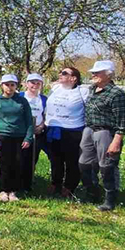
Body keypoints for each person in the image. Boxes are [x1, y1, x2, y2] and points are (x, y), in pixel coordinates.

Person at [80, 60, 125, 211]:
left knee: (107, 165)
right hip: (89, 129)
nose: (93, 75)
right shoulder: (92, 89)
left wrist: (116, 141)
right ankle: (92, 191)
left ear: (108, 74)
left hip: (106, 132)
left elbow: (122, 121)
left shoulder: (117, 94)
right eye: (93, 72)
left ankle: (110, 199)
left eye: (97, 72)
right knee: (84, 163)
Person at [0, 74, 34, 203]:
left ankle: (13, 191)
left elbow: (29, 120)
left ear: (16, 86)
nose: (9, 87)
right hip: (3, 136)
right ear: (2, 86)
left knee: (18, 163)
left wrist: (28, 138)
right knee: (5, 163)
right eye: (7, 85)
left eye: (12, 85)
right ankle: (3, 190)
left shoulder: (22, 101)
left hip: (19, 136)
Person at [44, 66, 88, 198]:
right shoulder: (55, 88)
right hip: (53, 129)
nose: (60, 74)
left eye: (64, 73)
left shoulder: (82, 91)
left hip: (72, 131)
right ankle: (55, 183)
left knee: (71, 160)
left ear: (73, 78)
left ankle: (69, 186)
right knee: (55, 159)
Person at [21, 73, 48, 194]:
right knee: (20, 157)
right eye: (32, 82)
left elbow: (47, 115)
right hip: (21, 132)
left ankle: (28, 183)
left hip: (37, 132)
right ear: (27, 84)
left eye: (38, 83)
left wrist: (41, 126)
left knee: (32, 158)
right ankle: (17, 182)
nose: (35, 85)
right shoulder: (20, 96)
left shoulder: (44, 99)